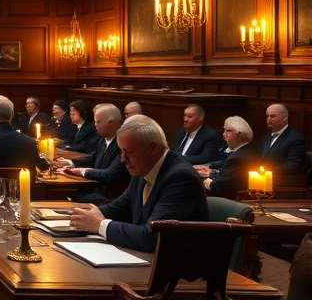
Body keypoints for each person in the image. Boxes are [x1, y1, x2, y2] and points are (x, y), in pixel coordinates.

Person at [70, 115, 209, 252]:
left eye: (129, 152)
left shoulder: (181, 178)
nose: (123, 159)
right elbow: (123, 205)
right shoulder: (143, 166)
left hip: (176, 261)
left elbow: (154, 236)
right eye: (121, 151)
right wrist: (89, 214)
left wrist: (100, 225)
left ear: (152, 148)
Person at [56, 103, 128, 203]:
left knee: (65, 196)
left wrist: (82, 171)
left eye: (98, 122)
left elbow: (110, 174)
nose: (95, 125)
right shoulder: (104, 138)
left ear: (111, 123)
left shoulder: (123, 143)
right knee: (65, 194)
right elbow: (94, 157)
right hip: (96, 188)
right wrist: (69, 162)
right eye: (95, 121)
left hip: (109, 196)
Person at [194, 116, 260, 198]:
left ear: (240, 135)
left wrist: (203, 180)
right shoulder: (250, 149)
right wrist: (212, 171)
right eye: (224, 130)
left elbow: (217, 186)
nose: (224, 134)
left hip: (230, 199)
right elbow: (227, 173)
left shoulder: (238, 157)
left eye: (228, 131)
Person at [260, 103, 307, 173]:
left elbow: (294, 165)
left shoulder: (296, 139)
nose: (269, 119)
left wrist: (271, 170)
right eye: (267, 116)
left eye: (273, 116)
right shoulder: (267, 135)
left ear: (285, 117)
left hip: (281, 177)